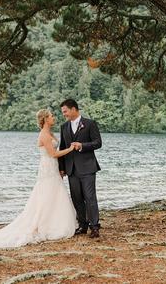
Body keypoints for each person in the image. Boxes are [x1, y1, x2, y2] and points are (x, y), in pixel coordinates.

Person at [0, 109, 77, 248]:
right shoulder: (44, 135)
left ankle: (53, 221)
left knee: (54, 193)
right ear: (45, 119)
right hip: (47, 166)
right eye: (51, 116)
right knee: (46, 193)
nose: (54, 118)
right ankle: (42, 224)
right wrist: (71, 149)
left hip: (52, 167)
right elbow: (53, 153)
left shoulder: (50, 133)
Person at [58, 99, 102, 238]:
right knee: (76, 198)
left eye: (65, 111)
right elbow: (63, 148)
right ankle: (82, 225)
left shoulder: (89, 124)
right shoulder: (64, 127)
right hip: (71, 169)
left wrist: (82, 145)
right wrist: (62, 168)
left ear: (73, 109)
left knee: (90, 198)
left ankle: (94, 227)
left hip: (88, 167)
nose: (64, 114)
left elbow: (98, 143)